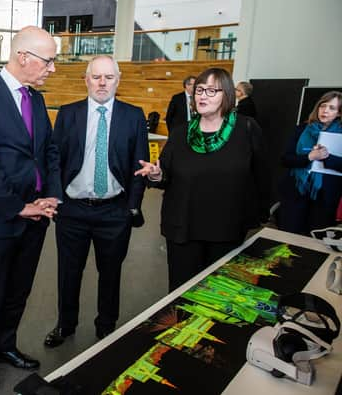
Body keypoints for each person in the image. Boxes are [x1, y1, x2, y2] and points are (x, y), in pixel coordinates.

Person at [0, 26, 62, 393]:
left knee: (20, 289)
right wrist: (19, 206)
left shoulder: (35, 99)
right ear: (24, 57)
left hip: (37, 216)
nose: (52, 68)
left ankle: (5, 346)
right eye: (48, 61)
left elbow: (48, 151)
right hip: (0, 217)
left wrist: (51, 195)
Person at [44, 56, 148, 348]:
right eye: (96, 77)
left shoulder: (134, 115)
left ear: (118, 79)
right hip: (73, 210)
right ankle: (65, 325)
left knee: (111, 272)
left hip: (115, 211)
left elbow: (139, 165)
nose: (102, 83)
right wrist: (55, 199)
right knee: (68, 272)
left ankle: (106, 326)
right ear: (86, 79)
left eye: (109, 77)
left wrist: (132, 207)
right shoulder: (68, 114)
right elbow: (55, 160)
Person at [135, 68, 269, 292]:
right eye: (199, 90)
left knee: (218, 294)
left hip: (226, 230)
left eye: (211, 90)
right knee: (182, 292)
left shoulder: (246, 129)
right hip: (183, 229)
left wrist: (257, 216)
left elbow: (262, 176)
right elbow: (165, 174)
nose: (202, 95)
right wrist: (157, 175)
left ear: (226, 95)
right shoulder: (181, 133)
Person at [277, 91, 342, 234]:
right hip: (296, 190)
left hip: (326, 196)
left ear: (339, 113)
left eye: (332, 108)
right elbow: (285, 159)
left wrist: (326, 157)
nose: (325, 110)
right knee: (288, 235)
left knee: (316, 238)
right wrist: (309, 157)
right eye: (322, 106)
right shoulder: (301, 129)